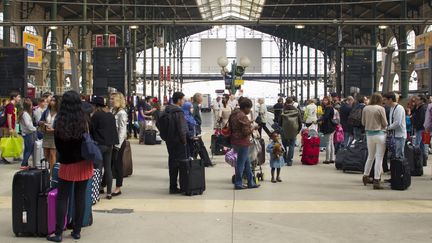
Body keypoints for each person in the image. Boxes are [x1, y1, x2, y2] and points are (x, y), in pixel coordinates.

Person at [47, 91, 93, 242]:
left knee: (62, 197)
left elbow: (58, 145)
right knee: (80, 197)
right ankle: (77, 231)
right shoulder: (84, 119)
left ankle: (59, 232)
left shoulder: (60, 120)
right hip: (83, 163)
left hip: (67, 164)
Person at [90, 97, 119, 200]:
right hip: (109, 145)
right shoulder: (111, 115)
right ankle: (109, 193)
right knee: (108, 168)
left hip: (99, 145)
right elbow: (114, 130)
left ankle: (96, 192)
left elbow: (91, 130)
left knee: (97, 169)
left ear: (96, 106)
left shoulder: (95, 116)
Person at [161, 92, 189, 194]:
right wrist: (184, 141)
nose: (184, 101)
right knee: (181, 164)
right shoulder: (178, 112)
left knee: (172, 163)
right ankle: (183, 186)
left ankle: (172, 186)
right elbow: (181, 129)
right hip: (178, 141)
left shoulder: (167, 110)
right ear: (179, 100)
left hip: (170, 141)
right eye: (183, 99)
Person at [230, 97, 260, 190]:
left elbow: (236, 126)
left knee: (247, 163)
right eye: (249, 108)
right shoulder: (243, 116)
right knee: (240, 164)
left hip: (234, 141)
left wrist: (248, 123)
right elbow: (245, 132)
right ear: (245, 107)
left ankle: (251, 182)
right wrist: (253, 128)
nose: (249, 110)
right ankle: (238, 183)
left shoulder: (234, 114)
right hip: (242, 142)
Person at [361, 93, 388, 190]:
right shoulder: (381, 109)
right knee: (379, 158)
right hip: (380, 134)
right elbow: (385, 123)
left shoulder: (365, 108)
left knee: (370, 156)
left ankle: (365, 176)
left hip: (369, 135)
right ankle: (376, 180)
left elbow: (363, 122)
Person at [110, 92, 128, 197]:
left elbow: (122, 131)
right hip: (112, 141)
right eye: (110, 98)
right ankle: (103, 184)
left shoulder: (122, 113)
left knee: (117, 164)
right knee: (110, 164)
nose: (110, 100)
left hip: (118, 144)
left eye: (113, 99)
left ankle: (118, 187)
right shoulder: (113, 111)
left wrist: (117, 145)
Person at [192, 93, 214, 167]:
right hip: (196, 127)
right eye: (201, 97)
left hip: (196, 127)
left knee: (199, 145)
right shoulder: (195, 106)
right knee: (199, 145)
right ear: (197, 98)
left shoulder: (195, 106)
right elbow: (192, 117)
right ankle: (204, 162)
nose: (202, 99)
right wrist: (195, 126)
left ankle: (206, 162)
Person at [278, 97, 302, 166]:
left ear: (286, 102)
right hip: (294, 129)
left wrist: (281, 128)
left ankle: (284, 159)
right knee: (291, 145)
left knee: (284, 145)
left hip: (284, 129)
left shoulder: (283, 110)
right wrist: (298, 130)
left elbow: (279, 122)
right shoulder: (297, 110)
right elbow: (300, 121)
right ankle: (290, 161)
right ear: (292, 102)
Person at [40, 95, 60, 171]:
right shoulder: (46, 111)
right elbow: (40, 121)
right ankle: (50, 167)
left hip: (54, 135)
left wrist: (54, 129)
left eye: (54, 100)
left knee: (53, 154)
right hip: (46, 134)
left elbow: (61, 125)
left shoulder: (59, 113)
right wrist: (42, 123)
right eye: (51, 100)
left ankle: (52, 172)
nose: (52, 102)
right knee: (46, 155)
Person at [384, 92, 406, 159]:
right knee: (395, 155)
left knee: (399, 155)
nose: (384, 101)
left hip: (400, 135)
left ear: (390, 99)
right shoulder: (392, 108)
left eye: (385, 99)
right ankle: (396, 169)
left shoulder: (399, 108)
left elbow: (397, 123)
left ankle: (400, 169)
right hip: (394, 135)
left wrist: (388, 128)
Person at [19, 98, 37, 170]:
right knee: (30, 149)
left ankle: (25, 164)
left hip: (25, 133)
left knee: (27, 149)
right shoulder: (26, 114)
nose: (32, 107)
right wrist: (35, 129)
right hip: (28, 133)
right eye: (31, 105)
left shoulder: (23, 113)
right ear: (29, 106)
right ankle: (23, 164)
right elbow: (28, 125)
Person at [318, 96, 336, 164]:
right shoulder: (331, 107)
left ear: (329, 101)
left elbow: (325, 117)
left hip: (328, 127)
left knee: (328, 143)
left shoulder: (328, 108)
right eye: (323, 100)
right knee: (331, 143)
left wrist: (318, 120)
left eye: (326, 100)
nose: (324, 101)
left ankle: (327, 159)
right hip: (332, 126)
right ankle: (332, 158)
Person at [412, 95, 428, 159]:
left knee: (418, 144)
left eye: (417, 99)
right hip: (423, 128)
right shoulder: (418, 107)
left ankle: (419, 159)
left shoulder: (423, 108)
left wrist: (416, 125)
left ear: (422, 100)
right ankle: (422, 159)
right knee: (423, 144)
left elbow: (421, 119)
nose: (415, 100)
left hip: (421, 128)